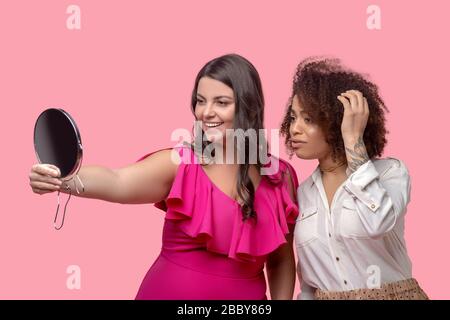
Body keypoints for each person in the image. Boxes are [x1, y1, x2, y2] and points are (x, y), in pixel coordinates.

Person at [29, 54, 299, 300]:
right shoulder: (180, 164)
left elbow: (281, 260)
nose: (206, 112)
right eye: (200, 101)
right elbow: (117, 180)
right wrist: (60, 179)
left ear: (249, 107)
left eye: (222, 102)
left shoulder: (279, 177)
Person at [280, 57, 428, 300]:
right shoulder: (303, 193)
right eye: (293, 117)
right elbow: (309, 283)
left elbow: (377, 223)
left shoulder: (390, 173)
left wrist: (353, 141)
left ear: (338, 121)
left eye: (308, 119)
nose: (295, 128)